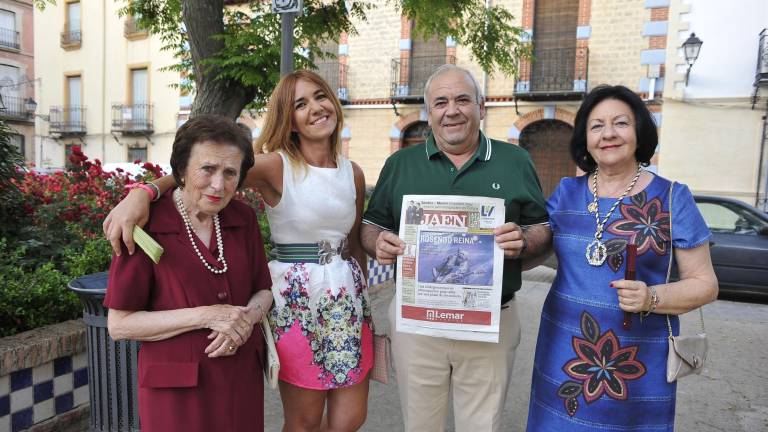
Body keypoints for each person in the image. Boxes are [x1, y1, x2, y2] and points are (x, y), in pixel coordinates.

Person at [103, 70, 372, 432]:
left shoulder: (349, 173)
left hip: (345, 300)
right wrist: (143, 193)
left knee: (351, 419)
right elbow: (206, 168)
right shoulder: (275, 165)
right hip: (299, 300)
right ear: (287, 118)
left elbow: (353, 243)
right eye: (300, 104)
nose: (316, 108)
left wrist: (365, 302)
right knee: (305, 420)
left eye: (320, 96)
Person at [361, 64, 552, 432]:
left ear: (481, 106)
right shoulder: (401, 164)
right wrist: (377, 243)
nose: (452, 110)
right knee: (420, 424)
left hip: (489, 320)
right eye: (441, 102)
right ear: (429, 112)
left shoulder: (516, 161)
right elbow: (373, 224)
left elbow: (542, 227)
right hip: (417, 322)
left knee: (483, 425)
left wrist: (525, 240)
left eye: (463, 99)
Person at [526, 85, 718, 431]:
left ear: (639, 131)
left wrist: (651, 297)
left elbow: (705, 285)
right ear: (585, 138)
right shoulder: (567, 192)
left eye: (620, 123)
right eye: (596, 126)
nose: (608, 134)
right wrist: (510, 242)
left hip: (635, 365)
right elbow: (535, 251)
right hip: (562, 355)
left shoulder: (673, 197)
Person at [104, 115, 274, 432]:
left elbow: (264, 290)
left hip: (241, 383)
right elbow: (120, 324)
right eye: (207, 169)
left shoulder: (243, 218)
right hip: (177, 395)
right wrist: (207, 315)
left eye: (230, 173)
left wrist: (247, 318)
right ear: (182, 169)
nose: (218, 184)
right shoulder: (146, 223)